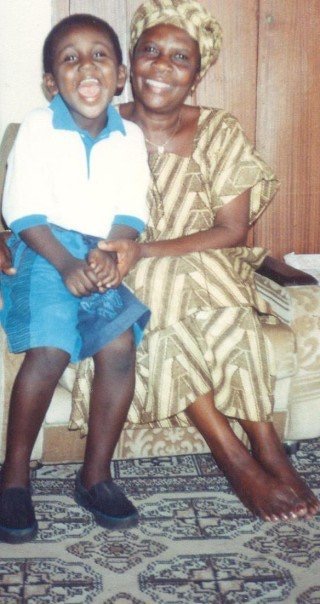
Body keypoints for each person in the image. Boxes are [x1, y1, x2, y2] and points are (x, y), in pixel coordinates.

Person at [1, 0, 319, 524]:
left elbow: (229, 230)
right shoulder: (85, 120)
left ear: (198, 72)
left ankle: (268, 450)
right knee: (155, 306)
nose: (162, 66)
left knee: (205, 300)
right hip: (103, 261)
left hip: (180, 258)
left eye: (180, 57)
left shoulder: (204, 131)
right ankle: (233, 457)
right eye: (151, 50)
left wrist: (137, 248)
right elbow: (29, 199)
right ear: (132, 66)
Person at [0, 13, 150, 544]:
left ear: (120, 74)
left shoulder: (130, 137)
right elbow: (21, 209)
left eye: (100, 55)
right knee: (51, 348)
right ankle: (14, 479)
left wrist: (113, 249)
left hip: (97, 250)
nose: (86, 65)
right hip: (43, 250)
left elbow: (133, 209)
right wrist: (64, 264)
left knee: (120, 349)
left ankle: (95, 477)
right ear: (51, 82)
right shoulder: (39, 127)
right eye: (70, 58)